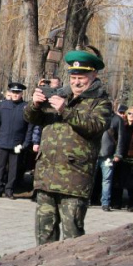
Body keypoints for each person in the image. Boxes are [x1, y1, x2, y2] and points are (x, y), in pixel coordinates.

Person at [24, 50, 112, 245]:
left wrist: (66, 110)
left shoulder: (100, 102)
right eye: (73, 77)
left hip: (74, 180)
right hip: (46, 177)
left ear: (94, 75)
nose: (76, 82)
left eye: (81, 78)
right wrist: (35, 105)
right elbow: (31, 118)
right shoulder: (59, 95)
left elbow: (95, 126)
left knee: (73, 237)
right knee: (43, 234)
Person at [0, 82, 32, 199]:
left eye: (18, 92)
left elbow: (29, 127)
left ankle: (9, 190)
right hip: (3, 141)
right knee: (0, 168)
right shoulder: (3, 105)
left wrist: (25, 143)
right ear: (10, 93)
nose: (15, 94)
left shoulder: (26, 107)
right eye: (13, 92)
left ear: (21, 93)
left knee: (13, 169)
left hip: (17, 144)